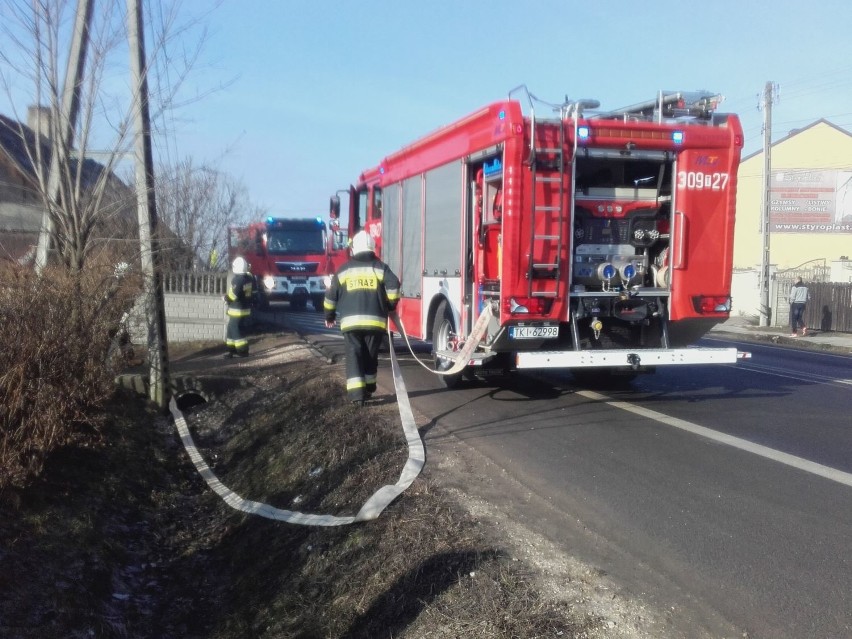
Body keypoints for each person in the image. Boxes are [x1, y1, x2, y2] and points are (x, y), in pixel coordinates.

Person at [324, 230, 400, 406]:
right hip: (375, 323)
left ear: (353, 249)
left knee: (354, 355)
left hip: (350, 324)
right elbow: (394, 285)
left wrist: (329, 316)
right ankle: (370, 386)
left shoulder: (343, 270)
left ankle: (357, 396)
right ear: (373, 248)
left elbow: (330, 296)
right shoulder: (380, 268)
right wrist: (390, 305)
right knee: (370, 355)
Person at [224, 256, 255, 357]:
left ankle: (242, 350)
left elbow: (234, 295)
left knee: (235, 329)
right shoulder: (249, 278)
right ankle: (231, 351)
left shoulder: (238, 280)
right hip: (244, 309)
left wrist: (226, 298)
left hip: (237, 309)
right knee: (231, 329)